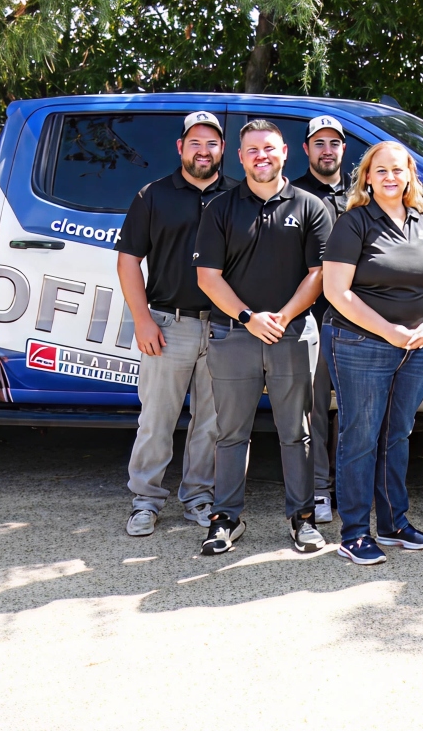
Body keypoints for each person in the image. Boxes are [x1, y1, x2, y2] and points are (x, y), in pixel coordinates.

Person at [193, 120, 333, 556]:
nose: (261, 157)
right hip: (234, 334)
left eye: (269, 149)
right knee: (231, 432)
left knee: (297, 432)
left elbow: (320, 274)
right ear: (240, 157)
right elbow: (207, 277)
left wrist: (284, 317)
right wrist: (250, 317)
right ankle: (226, 519)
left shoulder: (311, 207)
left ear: (285, 152)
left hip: (292, 335)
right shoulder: (219, 208)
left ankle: (303, 519)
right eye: (252, 150)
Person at [321, 140, 423, 566]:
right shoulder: (354, 223)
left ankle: (394, 523)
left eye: (399, 170)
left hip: (418, 345)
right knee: (360, 437)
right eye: (381, 170)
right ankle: (355, 532)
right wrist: (390, 331)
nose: (391, 177)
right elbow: (335, 291)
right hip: (361, 343)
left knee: (397, 434)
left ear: (411, 176)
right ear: (367, 177)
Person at [115, 111, 235, 536]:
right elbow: (128, 261)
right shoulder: (153, 195)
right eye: (196, 143)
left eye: (213, 144)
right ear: (181, 148)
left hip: (224, 329)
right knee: (157, 419)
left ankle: (199, 498)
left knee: (212, 422)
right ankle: (145, 500)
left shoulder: (237, 196)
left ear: (223, 150)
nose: (204, 151)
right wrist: (142, 319)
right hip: (169, 324)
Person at [292, 115, 348, 526]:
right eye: (319, 143)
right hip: (310, 321)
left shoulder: (361, 194)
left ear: (344, 149)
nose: (327, 150)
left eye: (334, 143)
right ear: (306, 149)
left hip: (356, 322)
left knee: (353, 410)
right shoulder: (292, 195)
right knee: (312, 410)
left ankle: (348, 486)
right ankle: (318, 489)